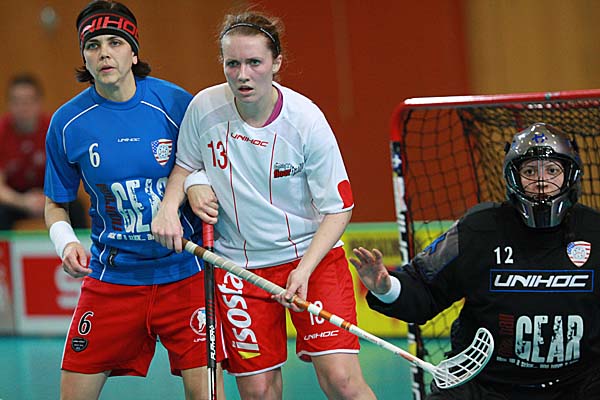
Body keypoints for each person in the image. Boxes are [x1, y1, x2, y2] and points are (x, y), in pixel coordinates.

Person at [151, 10, 376, 400]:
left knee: (341, 380)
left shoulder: (306, 121)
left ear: (277, 63)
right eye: (232, 63)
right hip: (239, 268)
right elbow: (185, 164)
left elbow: (338, 208)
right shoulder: (204, 108)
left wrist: (304, 269)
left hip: (312, 259)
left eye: (254, 62)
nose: (243, 75)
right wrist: (174, 202)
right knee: (257, 390)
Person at [43, 1, 225, 399]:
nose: (104, 53)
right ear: (84, 58)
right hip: (113, 278)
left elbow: (207, 166)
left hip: (185, 274)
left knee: (208, 395)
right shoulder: (67, 124)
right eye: (93, 46)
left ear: (134, 52)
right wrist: (66, 243)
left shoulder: (176, 104)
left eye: (115, 42)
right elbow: (56, 203)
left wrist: (195, 183)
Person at [350, 122, 600, 400]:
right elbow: (425, 288)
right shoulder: (479, 229)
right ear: (513, 177)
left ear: (570, 175)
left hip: (578, 387)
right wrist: (386, 288)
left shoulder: (595, 230)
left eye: (552, 170)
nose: (541, 181)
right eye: (530, 171)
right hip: (484, 386)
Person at [0, 74, 87, 230]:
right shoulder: (2, 132)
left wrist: (49, 197)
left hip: (50, 192)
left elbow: (68, 175)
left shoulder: (54, 130)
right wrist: (23, 201)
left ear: (39, 102)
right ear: (8, 104)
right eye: (17, 102)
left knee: (76, 207)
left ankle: (78, 245)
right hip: (15, 197)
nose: (23, 108)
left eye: (28, 101)